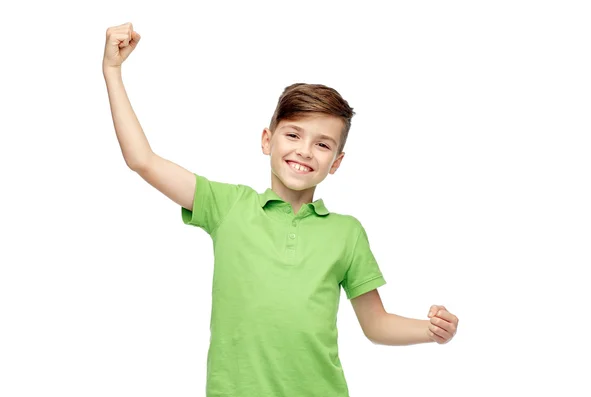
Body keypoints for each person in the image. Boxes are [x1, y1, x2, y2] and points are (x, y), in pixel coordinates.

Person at [103, 22, 459, 397]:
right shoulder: (228, 206)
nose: (305, 151)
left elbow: (375, 324)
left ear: (335, 163)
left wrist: (430, 330)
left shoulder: (346, 233)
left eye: (322, 145)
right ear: (266, 140)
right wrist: (112, 71)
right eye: (293, 135)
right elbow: (142, 160)